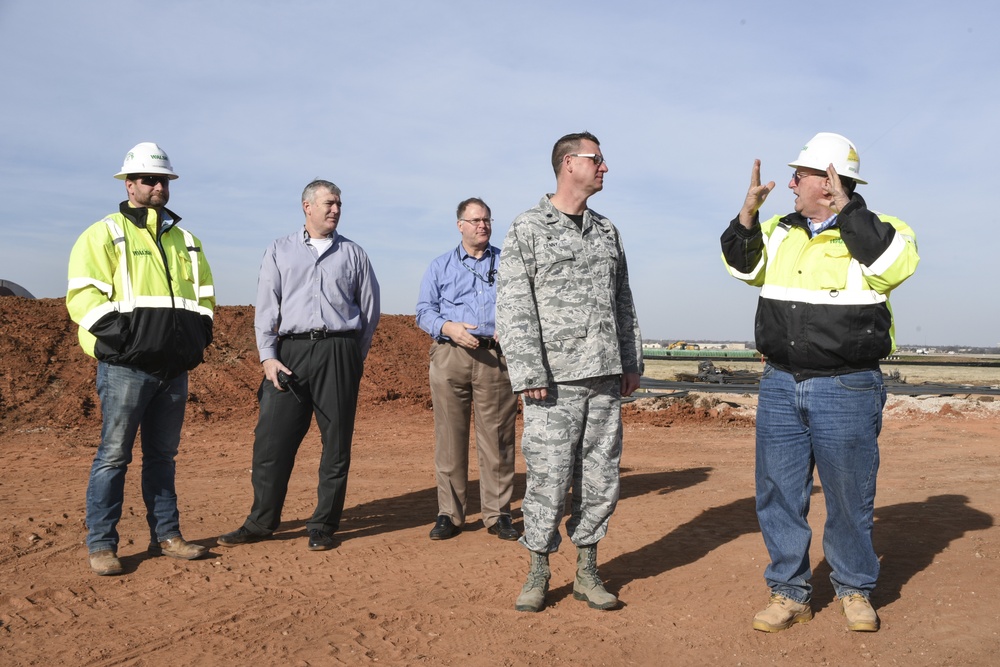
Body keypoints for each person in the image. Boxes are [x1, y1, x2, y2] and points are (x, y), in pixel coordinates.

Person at [720, 132, 919, 633]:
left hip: (847, 387)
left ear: (828, 181)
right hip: (782, 384)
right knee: (778, 493)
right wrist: (746, 215)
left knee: (850, 495)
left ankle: (854, 589)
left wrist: (848, 210)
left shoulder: (884, 230)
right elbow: (743, 266)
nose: (790, 183)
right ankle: (789, 593)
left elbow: (893, 266)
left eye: (800, 175)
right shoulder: (782, 230)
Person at [496, 131, 643, 612]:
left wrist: (630, 361)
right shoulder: (528, 228)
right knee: (547, 476)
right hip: (551, 385)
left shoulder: (608, 231)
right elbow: (514, 306)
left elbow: (623, 301)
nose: (604, 167)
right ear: (567, 164)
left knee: (601, 477)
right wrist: (529, 372)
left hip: (603, 377)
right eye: (596, 159)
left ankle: (587, 571)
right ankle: (538, 570)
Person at [66, 142, 216, 576]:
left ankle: (167, 535)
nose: (157, 186)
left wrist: (195, 343)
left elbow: (205, 299)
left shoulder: (187, 241)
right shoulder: (105, 233)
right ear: (129, 184)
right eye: (149, 179)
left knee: (163, 458)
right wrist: (126, 344)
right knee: (114, 456)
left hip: (174, 370)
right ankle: (102, 545)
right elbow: (84, 297)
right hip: (126, 369)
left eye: (163, 180)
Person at [217, 180, 380, 552]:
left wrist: (353, 356)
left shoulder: (354, 254)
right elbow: (266, 306)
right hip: (288, 354)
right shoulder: (279, 250)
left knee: (336, 446)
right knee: (271, 442)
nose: (335, 209)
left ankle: (323, 524)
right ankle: (261, 522)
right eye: (329, 203)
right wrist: (267, 355)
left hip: (338, 351)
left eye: (339, 204)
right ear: (307, 206)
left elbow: (369, 311)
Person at [415, 197, 519, 542]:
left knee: (498, 439)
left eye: (487, 220)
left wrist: (514, 327)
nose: (482, 226)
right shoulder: (440, 266)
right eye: (475, 220)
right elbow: (423, 311)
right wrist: (448, 327)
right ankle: (450, 514)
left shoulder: (509, 263)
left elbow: (524, 303)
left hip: (495, 358)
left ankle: (498, 514)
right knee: (449, 439)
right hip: (450, 356)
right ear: (460, 225)